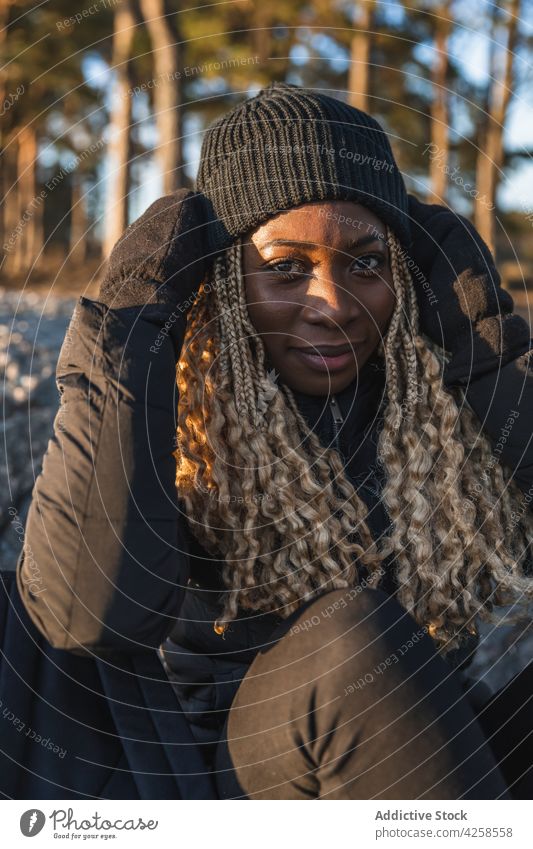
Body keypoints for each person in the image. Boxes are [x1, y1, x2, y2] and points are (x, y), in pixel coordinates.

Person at [16, 81, 533, 799]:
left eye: (365, 262)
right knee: (357, 641)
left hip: (422, 762)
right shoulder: (167, 407)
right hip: (234, 777)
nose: (332, 303)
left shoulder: (431, 410)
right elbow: (87, 611)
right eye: (285, 268)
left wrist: (484, 348)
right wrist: (127, 331)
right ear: (228, 279)